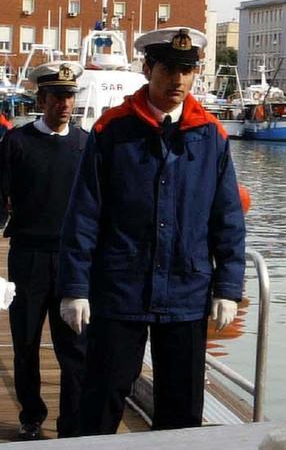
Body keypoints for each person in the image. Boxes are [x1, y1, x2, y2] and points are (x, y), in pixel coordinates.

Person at [58, 27, 245, 435]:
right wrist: (75, 288)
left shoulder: (211, 136)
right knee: (101, 401)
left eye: (187, 69)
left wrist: (228, 288)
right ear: (148, 68)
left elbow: (227, 219)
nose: (177, 79)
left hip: (186, 292)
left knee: (182, 412)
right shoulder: (112, 132)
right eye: (168, 68)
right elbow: (84, 214)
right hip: (120, 291)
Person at [0, 62, 89, 440]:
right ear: (42, 99)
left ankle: (71, 423)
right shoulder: (16, 143)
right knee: (26, 343)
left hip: (72, 259)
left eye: (69, 96)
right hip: (29, 256)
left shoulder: (86, 144)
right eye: (57, 97)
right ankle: (31, 417)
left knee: (75, 349)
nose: (65, 104)